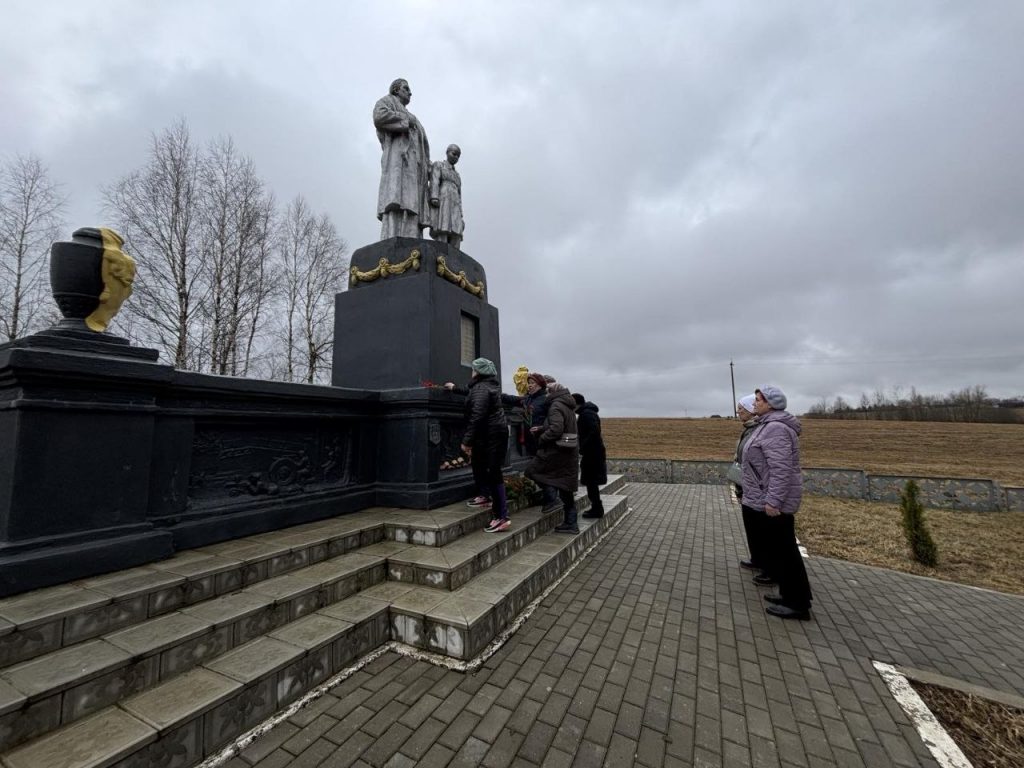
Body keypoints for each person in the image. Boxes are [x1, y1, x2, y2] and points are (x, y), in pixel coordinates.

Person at [741, 385, 812, 620]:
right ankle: (788, 595)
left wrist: (774, 501)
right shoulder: (767, 425)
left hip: (773, 501)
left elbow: (781, 470)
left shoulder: (776, 429)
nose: (755, 403)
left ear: (771, 404)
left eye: (759, 400)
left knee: (786, 551)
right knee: (779, 550)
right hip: (764, 496)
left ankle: (798, 604)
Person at [457, 358, 511, 532]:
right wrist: (454, 388)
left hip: (490, 434)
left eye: (473, 369)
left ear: (478, 372)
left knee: (493, 471)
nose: (471, 371)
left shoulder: (481, 388)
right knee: (480, 464)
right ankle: (485, 496)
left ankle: (501, 517)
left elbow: (478, 415)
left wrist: (467, 441)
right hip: (489, 434)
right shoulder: (486, 386)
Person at [373, 78, 430, 239]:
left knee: (411, 203)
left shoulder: (415, 118)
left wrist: (426, 165)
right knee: (396, 198)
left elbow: (423, 144)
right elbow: (379, 117)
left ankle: (412, 236)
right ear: (396, 89)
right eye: (406, 88)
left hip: (414, 166)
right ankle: (392, 235)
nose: (410, 93)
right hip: (397, 159)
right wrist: (405, 120)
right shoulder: (387, 102)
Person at [525, 383, 581, 533]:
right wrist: (542, 428)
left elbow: (557, 429)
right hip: (568, 452)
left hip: (556, 452)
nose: (546, 395)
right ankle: (571, 523)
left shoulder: (555, 405)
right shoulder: (567, 404)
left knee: (532, 471)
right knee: (565, 488)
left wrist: (542, 437)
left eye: (547, 392)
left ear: (552, 392)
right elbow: (562, 425)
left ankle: (552, 498)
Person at [733, 394, 768, 578]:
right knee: (752, 525)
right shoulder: (748, 429)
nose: (738, 412)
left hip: (758, 486)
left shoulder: (758, 430)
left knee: (762, 527)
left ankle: (769, 566)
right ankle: (758, 559)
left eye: (741, 409)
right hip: (747, 484)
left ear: (750, 410)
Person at [523, 373, 558, 511]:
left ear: (541, 385)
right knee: (539, 471)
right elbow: (511, 399)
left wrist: (542, 428)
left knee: (534, 471)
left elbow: (555, 421)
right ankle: (549, 497)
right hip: (532, 442)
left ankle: (553, 498)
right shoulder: (528, 399)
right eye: (529, 383)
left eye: (532, 383)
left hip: (544, 442)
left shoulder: (547, 400)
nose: (529, 385)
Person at [572, 393, 607, 518]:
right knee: (591, 482)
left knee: (591, 482)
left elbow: (594, 431)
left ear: (576, 403)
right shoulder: (587, 413)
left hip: (592, 454)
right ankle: (596, 507)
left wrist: (583, 447)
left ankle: (597, 509)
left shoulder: (586, 414)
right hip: (593, 452)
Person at [427, 144, 464, 250]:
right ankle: (441, 252)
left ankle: (455, 254)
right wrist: (434, 196)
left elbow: (460, 194)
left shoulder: (457, 175)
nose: (456, 157)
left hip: (455, 202)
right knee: (443, 226)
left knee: (456, 230)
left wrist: (461, 212)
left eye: (458, 156)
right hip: (444, 198)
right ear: (447, 152)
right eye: (454, 154)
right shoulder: (439, 165)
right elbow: (435, 181)